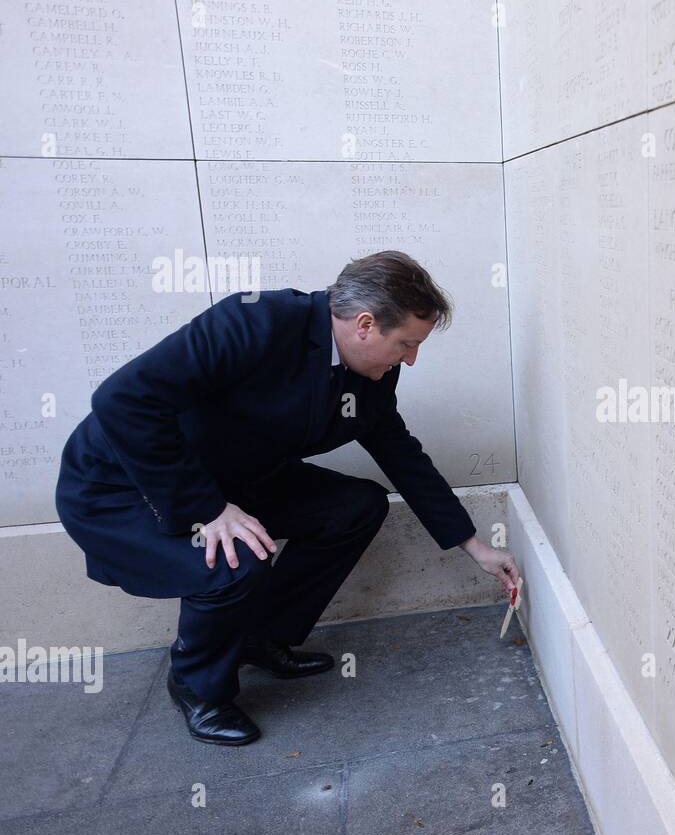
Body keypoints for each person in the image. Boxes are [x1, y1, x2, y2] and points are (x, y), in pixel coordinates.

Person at [54, 250, 519, 745]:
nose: (410, 358)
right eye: (406, 344)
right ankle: (197, 686)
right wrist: (206, 510)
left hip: (231, 480)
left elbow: (400, 454)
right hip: (126, 484)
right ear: (365, 324)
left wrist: (477, 546)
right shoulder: (255, 322)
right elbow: (121, 401)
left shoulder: (373, 373)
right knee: (235, 561)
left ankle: (260, 637)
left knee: (355, 508)